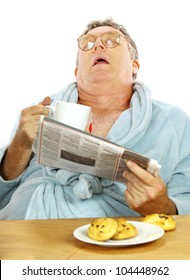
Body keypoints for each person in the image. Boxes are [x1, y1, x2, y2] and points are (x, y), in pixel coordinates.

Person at [0, 18, 190, 220]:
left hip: (122, 238)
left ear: (135, 65)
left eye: (111, 40)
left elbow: (184, 204)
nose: (98, 45)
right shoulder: (42, 111)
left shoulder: (174, 122)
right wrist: (19, 145)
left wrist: (165, 207)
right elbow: (4, 194)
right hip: (27, 226)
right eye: (87, 43)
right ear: (76, 71)